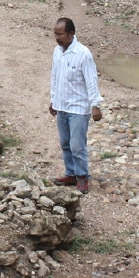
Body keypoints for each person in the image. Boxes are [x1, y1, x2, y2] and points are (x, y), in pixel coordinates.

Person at [48, 17, 102, 194]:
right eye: (55, 34)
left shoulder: (83, 54)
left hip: (79, 108)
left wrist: (95, 105)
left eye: (60, 34)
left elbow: (91, 80)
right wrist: (53, 100)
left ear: (71, 33)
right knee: (65, 143)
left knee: (77, 145)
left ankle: (82, 176)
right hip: (62, 106)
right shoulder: (57, 52)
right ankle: (70, 173)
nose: (57, 37)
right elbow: (55, 77)